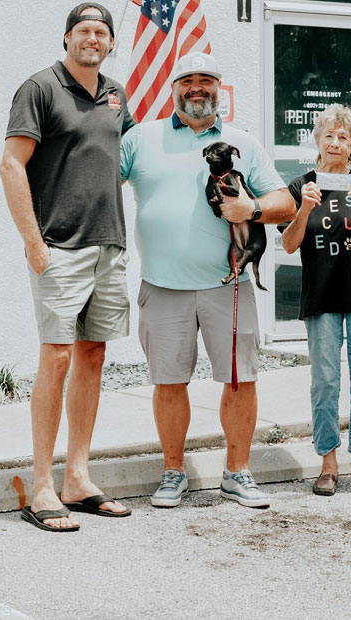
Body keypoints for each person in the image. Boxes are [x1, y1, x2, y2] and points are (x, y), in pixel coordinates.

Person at [120, 52, 295, 510]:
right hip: (162, 285)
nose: (197, 88)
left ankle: (237, 473)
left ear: (219, 88)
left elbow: (285, 202)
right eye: (188, 81)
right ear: (173, 87)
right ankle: (172, 473)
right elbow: (96, 176)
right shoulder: (141, 138)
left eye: (206, 81)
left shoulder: (243, 143)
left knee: (240, 380)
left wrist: (250, 210)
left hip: (228, 285)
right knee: (169, 381)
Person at [0, 2, 135, 532]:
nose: (93, 38)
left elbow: (121, 161)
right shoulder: (39, 88)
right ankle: (41, 485)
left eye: (101, 32)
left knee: (93, 356)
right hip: (59, 247)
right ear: (67, 38)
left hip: (109, 246)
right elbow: (12, 164)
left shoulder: (117, 93)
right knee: (55, 359)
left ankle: (78, 476)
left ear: (109, 42)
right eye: (84, 30)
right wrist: (34, 244)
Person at [279, 105, 351, 498]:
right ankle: (327, 463)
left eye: (344, 137)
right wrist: (306, 207)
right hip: (321, 295)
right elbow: (288, 244)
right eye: (329, 135)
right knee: (325, 381)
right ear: (318, 140)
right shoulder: (301, 186)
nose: (336, 143)